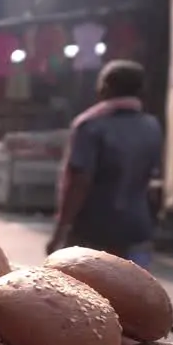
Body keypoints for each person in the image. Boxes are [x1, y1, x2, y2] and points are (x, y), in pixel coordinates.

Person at [46, 60, 162, 268]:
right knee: (131, 295)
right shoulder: (152, 126)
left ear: (105, 87)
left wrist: (60, 231)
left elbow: (78, 182)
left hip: (93, 230)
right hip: (137, 229)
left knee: (83, 294)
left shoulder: (90, 125)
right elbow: (152, 182)